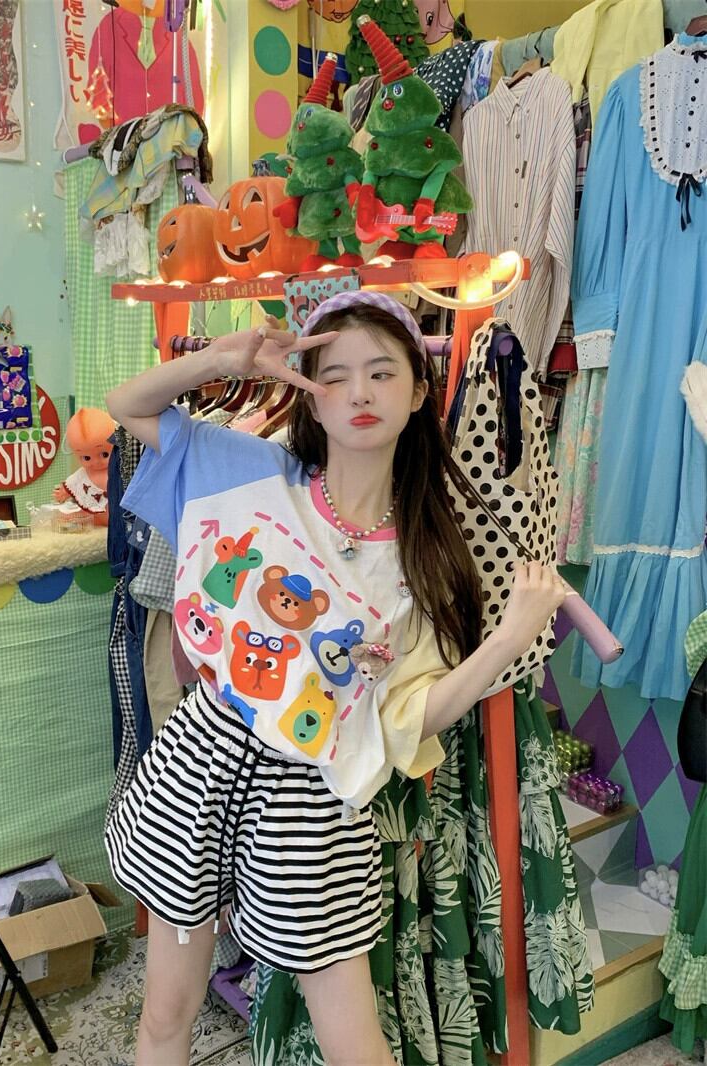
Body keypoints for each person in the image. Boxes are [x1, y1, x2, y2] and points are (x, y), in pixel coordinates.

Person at [104, 291, 566, 1066]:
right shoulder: (249, 471)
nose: (359, 393)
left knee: (354, 1040)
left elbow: (411, 715)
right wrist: (220, 360)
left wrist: (509, 640)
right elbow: (127, 407)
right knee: (164, 1017)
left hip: (312, 792)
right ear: (311, 395)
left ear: (417, 392)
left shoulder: (426, 552)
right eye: (336, 375)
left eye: (382, 373)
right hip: (202, 753)